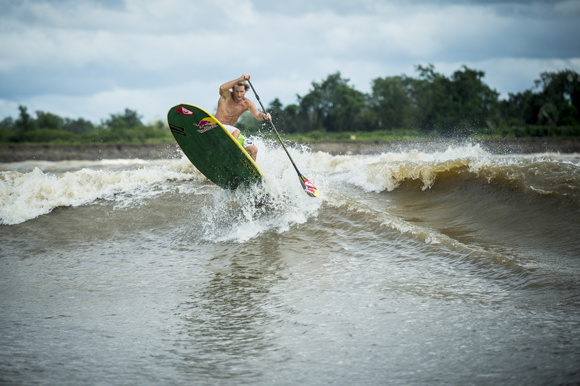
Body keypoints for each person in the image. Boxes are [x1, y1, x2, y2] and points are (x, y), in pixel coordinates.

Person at [215, 74, 271, 161]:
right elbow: (222, 88)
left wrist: (264, 116)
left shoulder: (247, 103)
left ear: (246, 91)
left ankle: (250, 172)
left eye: (241, 92)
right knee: (236, 131)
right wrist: (240, 79)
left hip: (231, 134)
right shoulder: (226, 96)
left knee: (254, 150)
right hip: (217, 127)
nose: (239, 94)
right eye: (236, 91)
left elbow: (257, 115)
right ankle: (224, 157)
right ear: (233, 90)